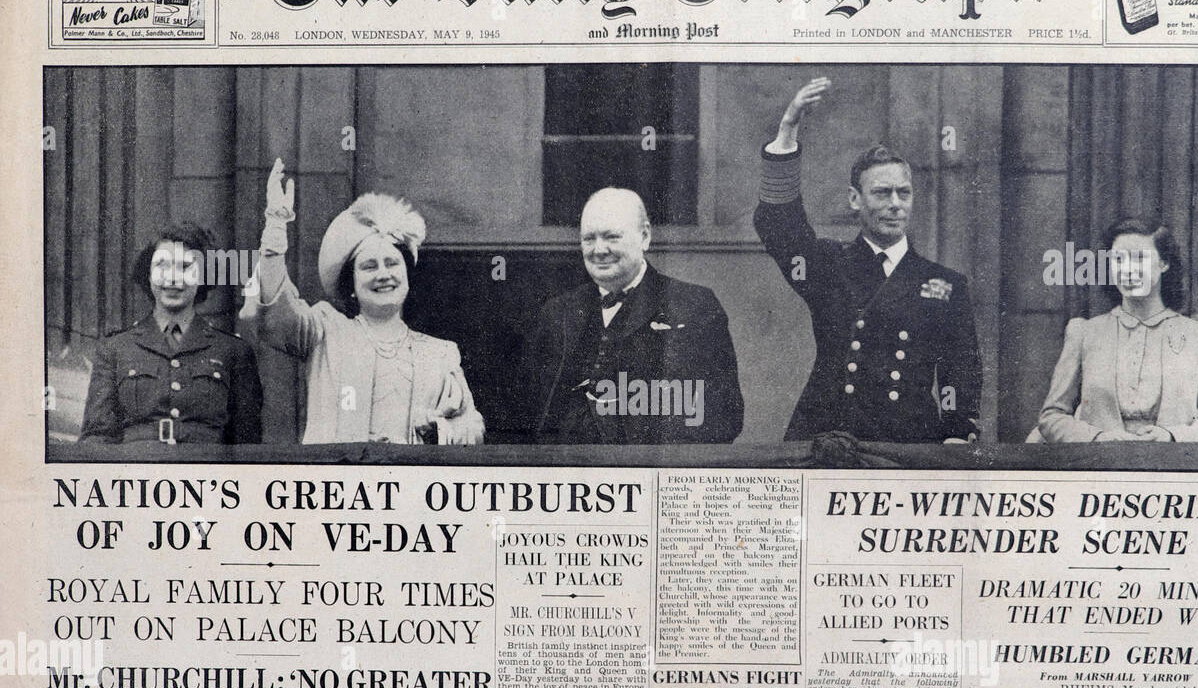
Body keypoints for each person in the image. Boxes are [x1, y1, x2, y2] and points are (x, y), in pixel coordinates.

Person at [754, 76, 982, 444]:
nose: (895, 204)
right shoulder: (828, 265)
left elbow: (960, 369)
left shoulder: (946, 283)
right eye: (881, 193)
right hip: (830, 435)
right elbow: (780, 227)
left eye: (903, 193)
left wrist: (958, 431)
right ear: (855, 200)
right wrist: (787, 129)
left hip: (908, 440)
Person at [252, 159, 484, 445]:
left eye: (391, 264)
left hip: (410, 485)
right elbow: (276, 313)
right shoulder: (326, 332)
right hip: (339, 485)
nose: (383, 275)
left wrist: (438, 432)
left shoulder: (440, 354)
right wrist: (275, 227)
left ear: (407, 275)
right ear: (351, 284)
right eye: (369, 266)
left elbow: (472, 426)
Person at [524, 187, 744, 445]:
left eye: (612, 237)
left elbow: (723, 416)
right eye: (588, 238)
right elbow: (533, 412)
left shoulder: (694, 306)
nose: (599, 249)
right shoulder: (557, 312)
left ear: (644, 237)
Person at [1034, 218, 1198, 443]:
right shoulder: (1084, 333)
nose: (1128, 270)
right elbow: (1051, 416)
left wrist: (1173, 436)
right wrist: (1096, 437)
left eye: (1140, 258)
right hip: (1099, 469)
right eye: (1118, 260)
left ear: (1164, 263)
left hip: (1172, 469)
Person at [80, 224, 262, 446]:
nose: (173, 278)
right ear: (147, 274)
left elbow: (247, 447)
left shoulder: (234, 352)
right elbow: (96, 439)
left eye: (185, 267)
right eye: (161, 265)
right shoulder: (115, 349)